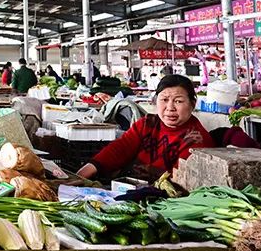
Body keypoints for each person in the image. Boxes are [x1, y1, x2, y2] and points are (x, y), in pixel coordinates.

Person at [76, 74, 215, 181]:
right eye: (164, 100)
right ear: (156, 101)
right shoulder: (148, 123)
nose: (170, 108)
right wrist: (88, 169)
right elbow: (121, 147)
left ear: (192, 104)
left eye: (178, 101)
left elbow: (181, 180)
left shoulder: (197, 140)